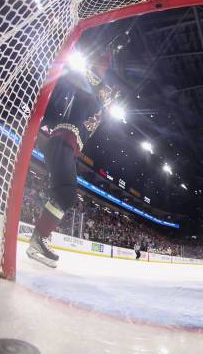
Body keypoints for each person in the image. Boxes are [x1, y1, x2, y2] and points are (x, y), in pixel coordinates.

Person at [26, 37, 128, 268]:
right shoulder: (89, 93)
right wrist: (108, 55)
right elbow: (94, 76)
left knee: (64, 196)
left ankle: (40, 238)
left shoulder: (101, 108)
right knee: (67, 195)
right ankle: (38, 239)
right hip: (61, 142)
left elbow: (107, 99)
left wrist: (111, 96)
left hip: (67, 149)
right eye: (108, 92)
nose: (110, 95)